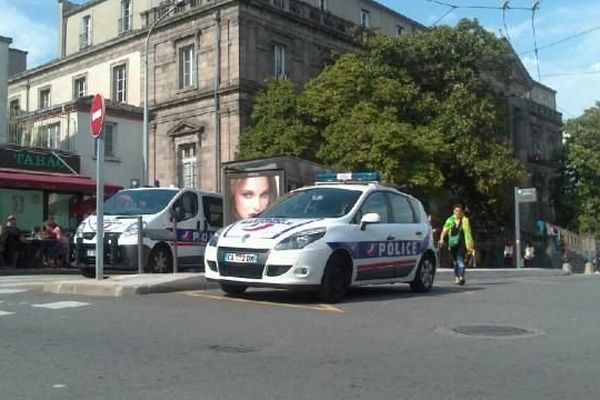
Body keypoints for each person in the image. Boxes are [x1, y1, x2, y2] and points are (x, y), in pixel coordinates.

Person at [438, 204, 475, 285]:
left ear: (462, 212)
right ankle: (456, 277)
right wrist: (441, 239)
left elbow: (469, 233)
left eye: (460, 211)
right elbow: (444, 230)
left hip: (463, 244)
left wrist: (470, 244)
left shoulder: (465, 220)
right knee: (455, 262)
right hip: (452, 244)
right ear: (453, 211)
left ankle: (461, 277)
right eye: (456, 211)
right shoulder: (450, 220)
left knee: (460, 260)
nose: (458, 213)